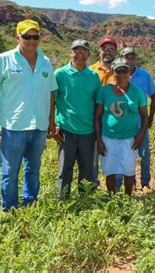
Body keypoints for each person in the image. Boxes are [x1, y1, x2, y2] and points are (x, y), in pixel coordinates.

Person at [0, 19, 58, 211]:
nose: (32, 41)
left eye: (36, 36)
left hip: (39, 125)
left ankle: (30, 205)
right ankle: (9, 209)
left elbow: (50, 93)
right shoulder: (3, 60)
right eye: (26, 36)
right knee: (10, 171)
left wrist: (51, 121)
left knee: (33, 169)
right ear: (17, 37)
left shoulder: (46, 62)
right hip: (14, 126)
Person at [54, 39, 101, 198]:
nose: (80, 53)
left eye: (84, 51)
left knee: (87, 171)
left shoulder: (94, 76)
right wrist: (54, 123)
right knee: (65, 169)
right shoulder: (60, 74)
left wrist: (97, 129)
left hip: (88, 131)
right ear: (70, 52)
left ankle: (85, 200)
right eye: (76, 50)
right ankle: (63, 200)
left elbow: (97, 103)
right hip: (66, 129)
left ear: (88, 54)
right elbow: (52, 100)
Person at [94, 58, 148, 195]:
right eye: (118, 70)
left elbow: (144, 116)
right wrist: (99, 140)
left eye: (125, 71)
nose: (122, 74)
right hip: (108, 137)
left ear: (129, 72)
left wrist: (141, 135)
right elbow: (97, 117)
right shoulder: (105, 91)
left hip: (129, 138)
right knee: (110, 170)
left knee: (128, 171)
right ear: (113, 72)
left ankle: (128, 199)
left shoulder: (137, 92)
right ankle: (112, 199)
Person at [116, 47, 155, 193]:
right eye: (126, 57)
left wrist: (151, 117)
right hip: (124, 124)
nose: (129, 60)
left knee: (144, 154)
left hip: (141, 123)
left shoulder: (144, 75)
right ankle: (130, 180)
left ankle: (145, 182)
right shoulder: (118, 75)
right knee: (126, 154)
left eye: (132, 57)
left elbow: (153, 96)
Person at [89, 36, 118, 184]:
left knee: (113, 156)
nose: (108, 52)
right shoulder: (91, 71)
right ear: (99, 50)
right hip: (92, 119)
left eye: (111, 49)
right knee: (93, 157)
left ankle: (114, 191)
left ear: (115, 52)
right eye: (105, 49)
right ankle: (92, 187)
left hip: (113, 121)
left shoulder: (120, 71)